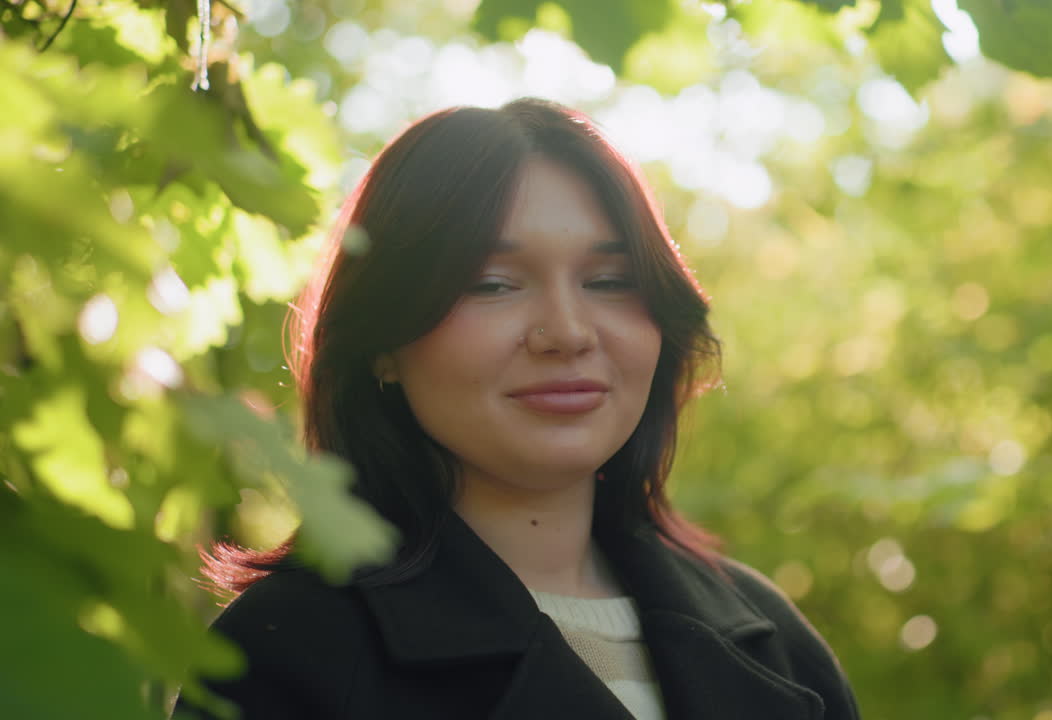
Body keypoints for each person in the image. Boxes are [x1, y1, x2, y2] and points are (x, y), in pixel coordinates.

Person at [174, 98, 859, 720]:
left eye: (610, 281)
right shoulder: (288, 653)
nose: (566, 331)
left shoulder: (770, 637)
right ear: (383, 340)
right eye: (494, 284)